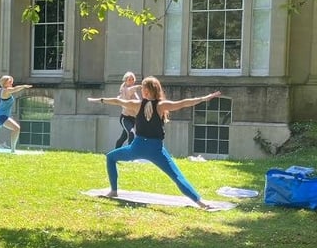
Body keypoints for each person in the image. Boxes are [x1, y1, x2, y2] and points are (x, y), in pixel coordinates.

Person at [88, 76, 221, 210]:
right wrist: (205, 98)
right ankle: (200, 203)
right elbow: (184, 103)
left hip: (138, 147)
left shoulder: (138, 104)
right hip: (154, 149)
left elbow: (118, 101)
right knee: (176, 176)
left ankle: (113, 191)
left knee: (110, 157)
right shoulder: (160, 105)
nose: (141, 91)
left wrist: (99, 100)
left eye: (143, 88)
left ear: (146, 91)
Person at [0, 75, 32, 152]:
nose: (11, 83)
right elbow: (15, 89)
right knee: (16, 128)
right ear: (5, 83)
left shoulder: (0, 90)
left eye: (11, 81)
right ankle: (13, 150)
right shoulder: (6, 90)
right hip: (2, 116)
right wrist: (24, 86)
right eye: (9, 82)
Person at [113, 71, 142, 149]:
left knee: (123, 137)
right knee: (131, 133)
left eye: (132, 79)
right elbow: (130, 90)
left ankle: (115, 153)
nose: (131, 81)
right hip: (125, 118)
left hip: (133, 118)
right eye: (129, 79)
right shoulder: (125, 90)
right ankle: (129, 153)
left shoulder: (134, 92)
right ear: (125, 81)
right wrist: (140, 86)